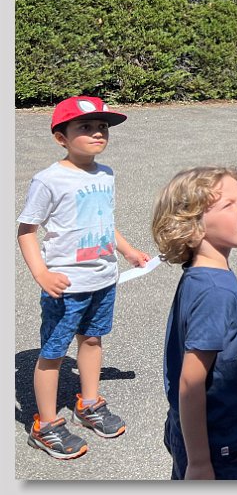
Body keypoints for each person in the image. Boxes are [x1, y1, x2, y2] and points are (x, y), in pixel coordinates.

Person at [17, 95, 151, 459]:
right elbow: (26, 231)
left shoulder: (105, 174)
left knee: (92, 339)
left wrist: (127, 251)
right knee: (53, 353)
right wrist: (41, 273)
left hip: (103, 280)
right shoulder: (49, 180)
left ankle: (88, 404)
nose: (97, 133)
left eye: (102, 127)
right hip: (66, 287)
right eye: (86, 127)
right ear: (61, 137)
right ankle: (45, 426)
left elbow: (104, 222)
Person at [151, 166, 237, 480]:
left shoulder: (206, 275)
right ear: (194, 226)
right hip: (215, 443)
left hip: (215, 433)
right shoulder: (214, 292)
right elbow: (190, 382)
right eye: (229, 204)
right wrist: (199, 461)